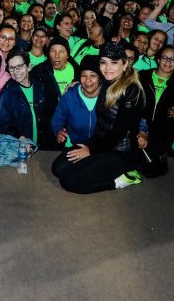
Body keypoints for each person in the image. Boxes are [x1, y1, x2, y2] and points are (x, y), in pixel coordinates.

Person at [51, 42, 147, 194]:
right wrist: (76, 83)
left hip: (120, 151)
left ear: (125, 64)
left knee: (68, 181)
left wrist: (92, 150)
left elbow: (119, 132)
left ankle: (123, 179)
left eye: (114, 62)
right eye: (103, 62)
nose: (107, 68)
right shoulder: (108, 82)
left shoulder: (132, 90)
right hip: (101, 141)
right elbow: (88, 82)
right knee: (57, 168)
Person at [0, 49, 51, 147]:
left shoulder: (40, 86)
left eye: (19, 66)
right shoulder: (7, 92)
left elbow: (47, 114)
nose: (15, 71)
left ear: (29, 66)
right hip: (19, 147)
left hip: (41, 145)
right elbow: (3, 125)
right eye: (11, 68)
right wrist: (19, 137)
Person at [51, 55, 103, 148]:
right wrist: (58, 131)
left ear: (100, 78)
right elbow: (57, 120)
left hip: (100, 148)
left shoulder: (109, 97)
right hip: (74, 146)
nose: (88, 80)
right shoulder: (69, 97)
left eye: (93, 75)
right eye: (84, 75)